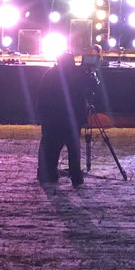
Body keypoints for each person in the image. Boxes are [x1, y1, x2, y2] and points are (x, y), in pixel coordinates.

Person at [36, 51, 95, 187]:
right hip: (72, 118)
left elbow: (42, 97)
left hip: (52, 118)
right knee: (73, 148)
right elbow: (91, 87)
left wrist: (42, 116)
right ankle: (76, 176)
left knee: (49, 147)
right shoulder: (78, 75)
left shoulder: (50, 74)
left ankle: (47, 174)